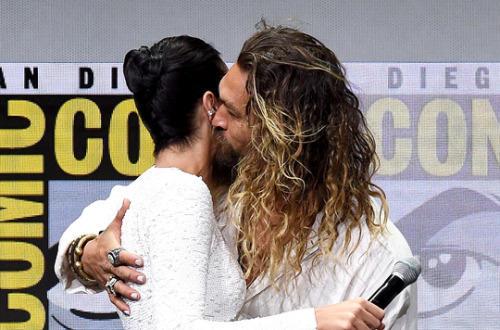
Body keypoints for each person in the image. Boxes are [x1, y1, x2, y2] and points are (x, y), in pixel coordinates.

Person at [56, 24, 416, 329]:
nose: (214, 120)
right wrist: (85, 253)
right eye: (216, 104)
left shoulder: (376, 260)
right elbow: (116, 212)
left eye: (230, 111)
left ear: (282, 135)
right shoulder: (212, 187)